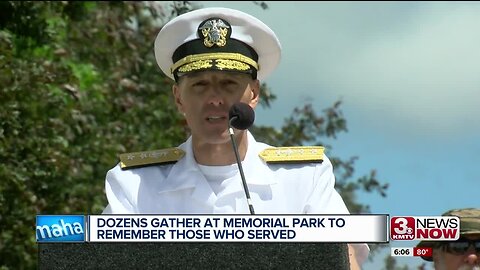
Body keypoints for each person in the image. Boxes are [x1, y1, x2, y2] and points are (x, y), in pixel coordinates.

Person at [102, 7, 368, 269]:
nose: (215, 99)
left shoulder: (304, 176)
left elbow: (345, 259)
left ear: (253, 93)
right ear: (179, 97)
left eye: (229, 84)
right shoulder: (134, 183)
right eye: (199, 85)